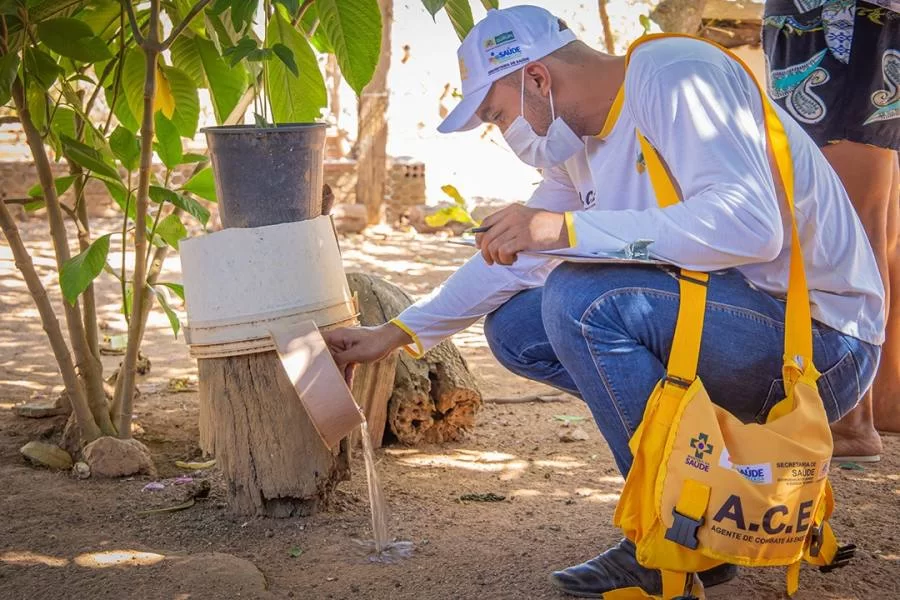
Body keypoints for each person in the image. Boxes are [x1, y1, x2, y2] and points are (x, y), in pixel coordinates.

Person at [323, 6, 885, 597]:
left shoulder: (676, 74)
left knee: (581, 298)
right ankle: (703, 508)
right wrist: (397, 334)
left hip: (821, 347)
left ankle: (671, 539)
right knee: (517, 328)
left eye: (497, 115)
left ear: (536, 79)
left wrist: (566, 231)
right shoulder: (580, 148)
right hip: (742, 326)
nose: (503, 132)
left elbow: (751, 226)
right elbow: (518, 256)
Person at [763, 0, 900, 462]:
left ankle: (850, 421)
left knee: (846, 222)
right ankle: (884, 400)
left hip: (837, 18)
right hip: (859, 20)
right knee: (876, 221)